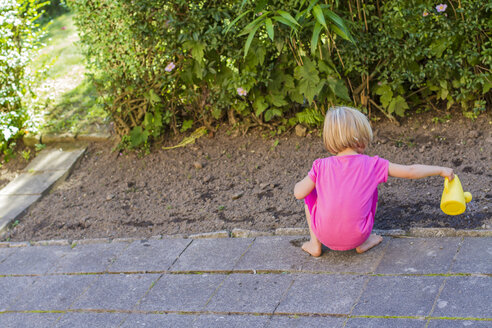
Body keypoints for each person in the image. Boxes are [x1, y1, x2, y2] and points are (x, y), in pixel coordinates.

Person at [294, 106, 454, 257]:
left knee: (310, 192)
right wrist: (440, 170)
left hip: (325, 235)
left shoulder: (321, 165)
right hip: (358, 235)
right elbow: (410, 171)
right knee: (371, 188)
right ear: (358, 138)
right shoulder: (372, 164)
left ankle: (315, 244)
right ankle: (365, 241)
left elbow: (299, 193)